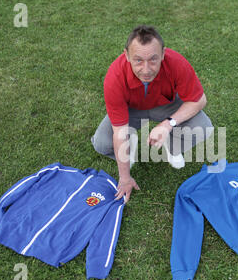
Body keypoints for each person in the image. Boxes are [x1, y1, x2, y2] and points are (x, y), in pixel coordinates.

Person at [91, 25, 213, 203]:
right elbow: (119, 131)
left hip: (166, 105)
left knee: (204, 127)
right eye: (138, 60)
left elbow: (199, 100)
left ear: (163, 54)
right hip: (131, 109)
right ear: (126, 55)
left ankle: (172, 147)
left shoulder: (176, 62)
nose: (146, 69)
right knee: (101, 144)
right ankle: (129, 149)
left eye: (153, 59)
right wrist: (125, 178)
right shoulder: (114, 77)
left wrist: (167, 124)